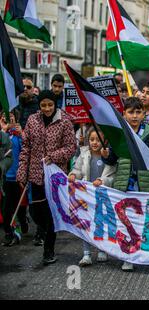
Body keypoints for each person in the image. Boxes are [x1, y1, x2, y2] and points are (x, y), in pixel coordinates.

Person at [101, 97, 149, 271]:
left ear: (143, 114)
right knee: (126, 222)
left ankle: (143, 254)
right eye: (131, 112)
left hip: (145, 185)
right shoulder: (119, 133)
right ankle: (128, 256)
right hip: (124, 185)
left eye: (138, 112)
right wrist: (105, 154)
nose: (134, 116)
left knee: (142, 221)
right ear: (124, 114)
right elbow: (112, 158)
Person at [17, 90, 77, 265]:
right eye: (43, 105)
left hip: (55, 176)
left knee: (51, 214)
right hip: (35, 175)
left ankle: (48, 250)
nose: (47, 108)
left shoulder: (64, 121)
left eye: (50, 104)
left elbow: (70, 147)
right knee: (36, 211)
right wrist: (22, 171)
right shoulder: (32, 120)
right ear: (39, 105)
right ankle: (44, 230)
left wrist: (55, 156)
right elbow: (25, 147)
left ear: (55, 104)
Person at [68, 128, 117, 267]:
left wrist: (102, 181)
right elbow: (77, 169)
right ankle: (86, 253)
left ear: (104, 141)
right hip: (87, 195)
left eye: (98, 140)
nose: (94, 143)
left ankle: (102, 249)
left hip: (102, 195)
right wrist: (73, 174)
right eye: (92, 140)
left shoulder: (108, 156)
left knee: (101, 222)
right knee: (86, 223)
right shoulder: (84, 154)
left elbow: (112, 175)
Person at [0, 113, 13, 246]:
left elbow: (9, 157)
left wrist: (1, 167)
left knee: (7, 210)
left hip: (5, 181)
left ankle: (11, 231)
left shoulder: (3, 137)